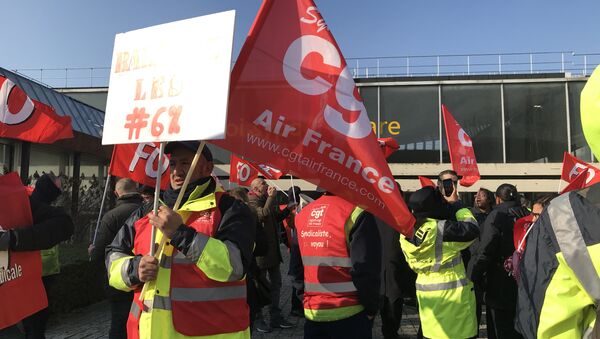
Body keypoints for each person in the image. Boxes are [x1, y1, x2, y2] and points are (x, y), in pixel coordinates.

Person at [105, 142, 255, 339]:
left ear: (207, 168)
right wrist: (135, 269)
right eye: (173, 163)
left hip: (208, 333)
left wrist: (179, 233)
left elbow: (233, 266)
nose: (177, 170)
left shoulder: (230, 209)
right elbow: (113, 257)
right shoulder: (146, 211)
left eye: (186, 162)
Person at [292, 191, 382, 339]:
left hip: (314, 312)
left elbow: (296, 266)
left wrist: (303, 297)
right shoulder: (356, 212)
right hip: (350, 314)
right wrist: (372, 307)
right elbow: (366, 269)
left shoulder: (303, 214)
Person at [516, 185, 600, 338]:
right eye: (532, 214)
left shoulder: (564, 217)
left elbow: (549, 319)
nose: (534, 218)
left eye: (537, 214)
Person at [0, 172, 74, 339]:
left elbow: (64, 224)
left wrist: (14, 238)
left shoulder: (11, 199)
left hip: (8, 313)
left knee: (34, 327)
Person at [400, 186, 479, 339]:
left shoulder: (405, 232)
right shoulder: (440, 229)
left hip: (427, 299)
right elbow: (472, 229)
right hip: (453, 300)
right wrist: (458, 206)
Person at [468, 183, 529, 339]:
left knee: (499, 327)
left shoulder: (496, 216)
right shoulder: (527, 213)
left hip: (499, 278)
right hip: (524, 279)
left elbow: (486, 248)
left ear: (497, 199)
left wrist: (474, 274)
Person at [89, 178, 143, 339]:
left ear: (116, 193)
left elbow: (100, 251)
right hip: (144, 277)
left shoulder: (111, 216)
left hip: (118, 279)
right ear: (137, 189)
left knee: (119, 322)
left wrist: (93, 253)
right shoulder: (149, 212)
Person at [247, 178, 295, 332]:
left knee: (276, 285)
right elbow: (263, 215)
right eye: (262, 183)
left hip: (273, 253)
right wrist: (272, 198)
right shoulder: (252, 201)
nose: (267, 185)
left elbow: (276, 217)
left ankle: (275, 316)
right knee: (259, 287)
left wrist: (287, 209)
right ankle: (259, 318)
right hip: (260, 255)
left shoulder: (266, 199)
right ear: (255, 188)